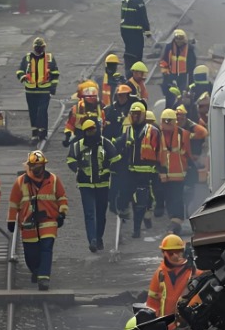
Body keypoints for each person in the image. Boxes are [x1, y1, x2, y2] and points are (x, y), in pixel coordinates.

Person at [7, 150, 68, 291]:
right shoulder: (20, 182)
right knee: (31, 254)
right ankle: (36, 270)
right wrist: (11, 221)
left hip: (49, 221)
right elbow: (13, 203)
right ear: (29, 166)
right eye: (34, 166)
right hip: (29, 224)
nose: (37, 169)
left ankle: (44, 278)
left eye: (39, 166)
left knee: (46, 249)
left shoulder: (53, 180)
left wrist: (62, 213)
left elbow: (62, 197)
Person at [66, 118, 120, 252]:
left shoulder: (106, 144)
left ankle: (98, 237)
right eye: (88, 130)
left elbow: (117, 160)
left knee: (101, 213)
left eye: (93, 129)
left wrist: (109, 168)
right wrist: (78, 170)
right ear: (84, 132)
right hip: (86, 185)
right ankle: (93, 240)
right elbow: (70, 160)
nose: (91, 132)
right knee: (89, 213)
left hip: (102, 184)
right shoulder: (77, 146)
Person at [117, 101, 160, 238]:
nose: (135, 117)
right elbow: (120, 144)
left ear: (143, 115)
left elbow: (160, 151)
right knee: (128, 198)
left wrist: (160, 170)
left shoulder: (153, 131)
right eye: (133, 114)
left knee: (141, 202)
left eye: (138, 114)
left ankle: (136, 229)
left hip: (146, 173)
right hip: (131, 172)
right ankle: (138, 218)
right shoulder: (128, 130)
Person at [146, 234, 203, 325]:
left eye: (178, 251)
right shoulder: (160, 274)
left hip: (186, 327)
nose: (175, 256)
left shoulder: (194, 273)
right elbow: (152, 302)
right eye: (171, 253)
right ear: (163, 253)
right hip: (165, 326)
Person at [16, 36, 59, 145]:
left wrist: (53, 87)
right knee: (33, 113)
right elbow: (20, 70)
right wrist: (23, 77)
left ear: (44, 47)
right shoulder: (27, 58)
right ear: (34, 47)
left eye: (42, 47)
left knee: (42, 112)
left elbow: (55, 73)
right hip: (30, 91)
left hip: (44, 90)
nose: (40, 48)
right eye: (38, 47)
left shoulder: (49, 58)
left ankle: (43, 133)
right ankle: (34, 134)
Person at [156, 107, 193, 231]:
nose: (166, 124)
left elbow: (187, 154)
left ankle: (176, 222)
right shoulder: (157, 134)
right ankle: (174, 221)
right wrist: (160, 171)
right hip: (163, 175)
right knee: (168, 199)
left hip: (178, 175)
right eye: (165, 121)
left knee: (176, 198)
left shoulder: (183, 134)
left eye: (168, 121)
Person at [159, 28, 197, 107]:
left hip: (183, 77)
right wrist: (166, 75)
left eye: (180, 39)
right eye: (177, 39)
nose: (178, 41)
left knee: (182, 98)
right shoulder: (169, 48)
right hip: (171, 76)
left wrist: (190, 82)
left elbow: (192, 66)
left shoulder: (189, 49)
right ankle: (169, 112)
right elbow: (164, 61)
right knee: (170, 97)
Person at [62, 82, 105, 148]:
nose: (91, 97)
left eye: (93, 93)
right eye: (88, 94)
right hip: (80, 136)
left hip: (96, 136)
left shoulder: (100, 107)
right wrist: (68, 137)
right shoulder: (76, 108)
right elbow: (70, 124)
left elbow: (104, 123)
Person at [120, 0, 152, 69]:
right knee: (138, 51)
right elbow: (143, 16)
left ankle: (128, 67)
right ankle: (136, 68)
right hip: (135, 30)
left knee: (129, 49)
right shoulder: (138, 0)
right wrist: (147, 30)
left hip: (124, 30)